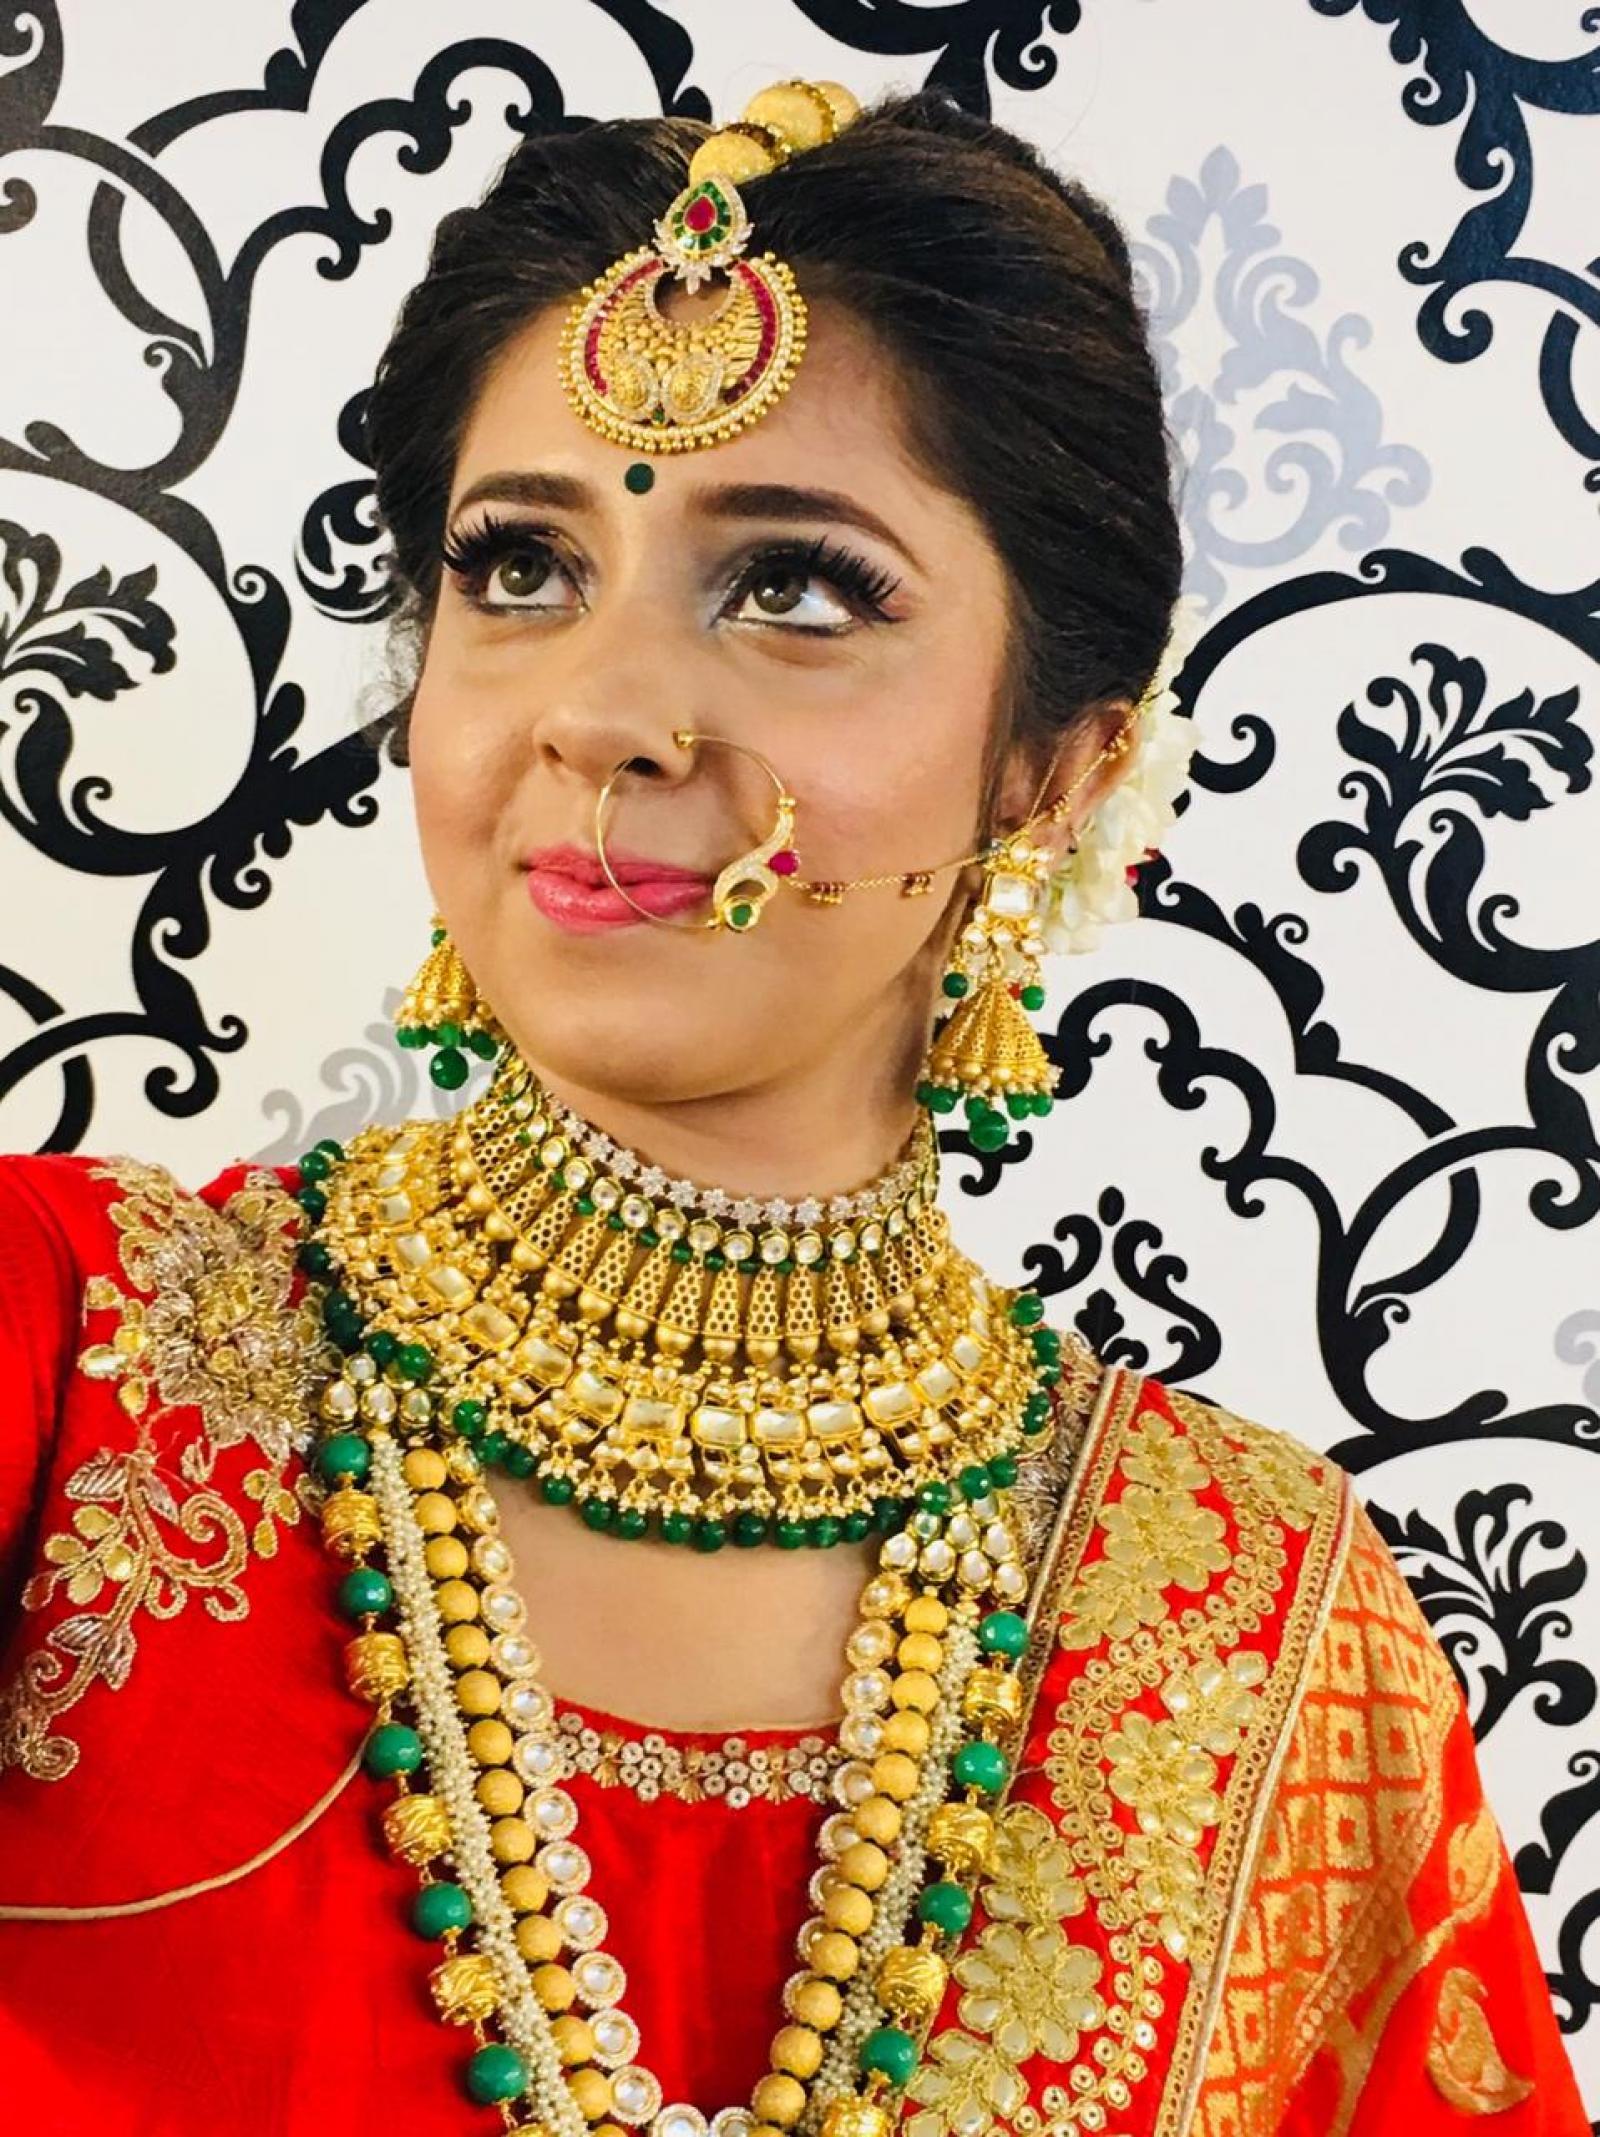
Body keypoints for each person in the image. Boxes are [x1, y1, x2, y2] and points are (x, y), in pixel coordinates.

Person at [0, 77, 1585, 2137]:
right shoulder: (73, 1366)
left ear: (1053, 770)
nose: (598, 711)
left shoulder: (1262, 1623)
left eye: (798, 591)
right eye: (518, 565)